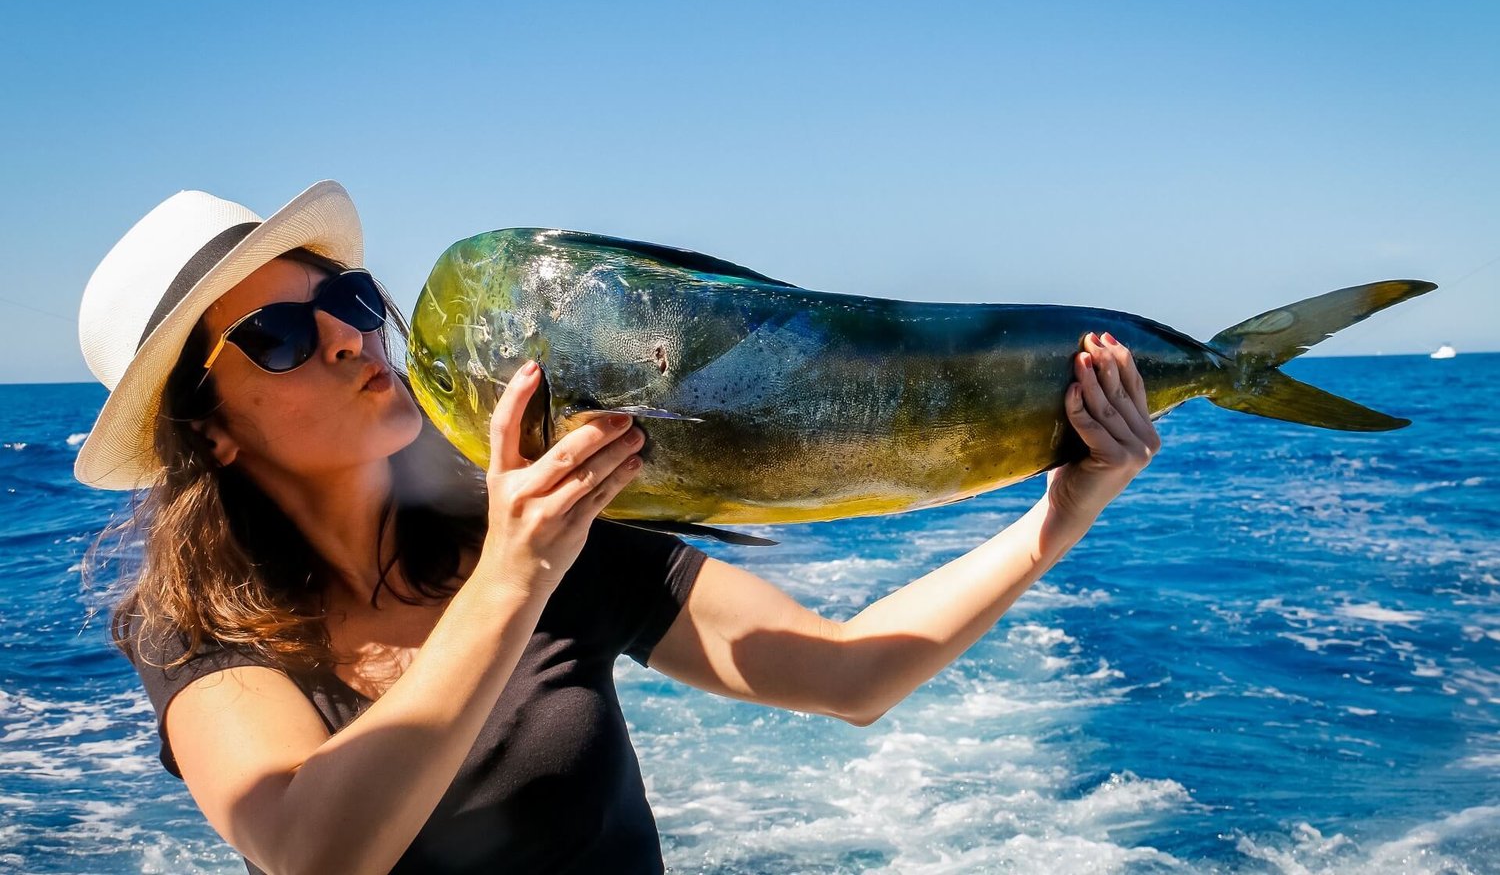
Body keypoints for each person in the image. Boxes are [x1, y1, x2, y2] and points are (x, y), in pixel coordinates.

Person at [76, 181, 1161, 875]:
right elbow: (315, 850)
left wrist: (1057, 518)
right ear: (209, 432)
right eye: (274, 335)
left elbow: (847, 675)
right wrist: (514, 576)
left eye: (351, 299)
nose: (352, 339)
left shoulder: (547, 525)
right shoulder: (201, 632)